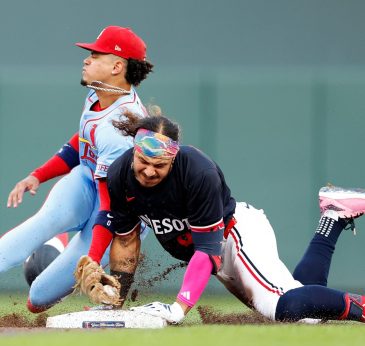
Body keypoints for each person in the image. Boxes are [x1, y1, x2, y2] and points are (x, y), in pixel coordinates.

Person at [74, 113, 365, 324]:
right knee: (304, 316)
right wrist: (115, 301)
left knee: (283, 307)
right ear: (134, 152)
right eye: (144, 162)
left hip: (236, 237)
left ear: (173, 159)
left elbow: (206, 251)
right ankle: (333, 217)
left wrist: (178, 308)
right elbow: (125, 241)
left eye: (159, 165)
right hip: (216, 256)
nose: (150, 171)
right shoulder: (120, 175)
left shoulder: (198, 172)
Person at [0, 25, 153, 312]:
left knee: (37, 299)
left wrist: (93, 259)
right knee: (39, 224)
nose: (87, 59)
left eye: (96, 55)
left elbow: (109, 207)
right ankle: (56, 238)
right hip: (86, 182)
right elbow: (83, 140)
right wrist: (38, 175)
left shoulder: (121, 127)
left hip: (116, 215)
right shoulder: (99, 95)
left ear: (117, 66)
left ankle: (60, 251)